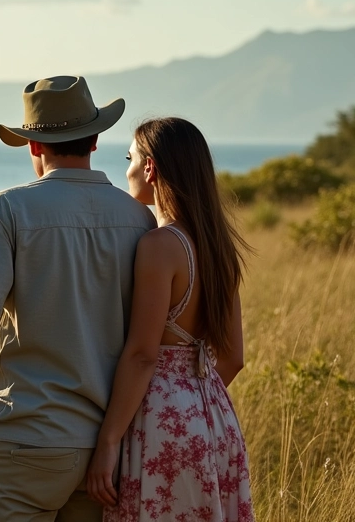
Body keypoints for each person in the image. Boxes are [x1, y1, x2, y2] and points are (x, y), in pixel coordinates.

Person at [0, 75, 157, 522]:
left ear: (33, 147)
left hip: (24, 437)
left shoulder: (8, 209)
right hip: (106, 447)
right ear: (96, 139)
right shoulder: (140, 217)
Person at [86, 117, 255, 521]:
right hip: (215, 418)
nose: (125, 169)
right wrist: (192, 402)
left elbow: (143, 354)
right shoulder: (217, 247)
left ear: (150, 168)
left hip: (161, 423)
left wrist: (108, 443)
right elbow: (232, 358)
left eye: (129, 158)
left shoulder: (160, 245)